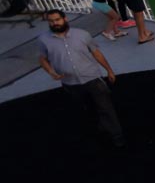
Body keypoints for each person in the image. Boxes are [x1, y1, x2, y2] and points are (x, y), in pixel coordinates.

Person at [37, 9, 125, 147]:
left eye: (57, 20)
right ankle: (99, 129)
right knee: (87, 108)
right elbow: (42, 59)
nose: (55, 23)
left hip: (92, 79)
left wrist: (109, 70)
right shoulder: (43, 40)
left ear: (65, 19)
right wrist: (51, 72)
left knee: (106, 108)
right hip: (70, 83)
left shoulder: (82, 35)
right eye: (51, 21)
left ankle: (116, 135)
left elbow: (96, 53)